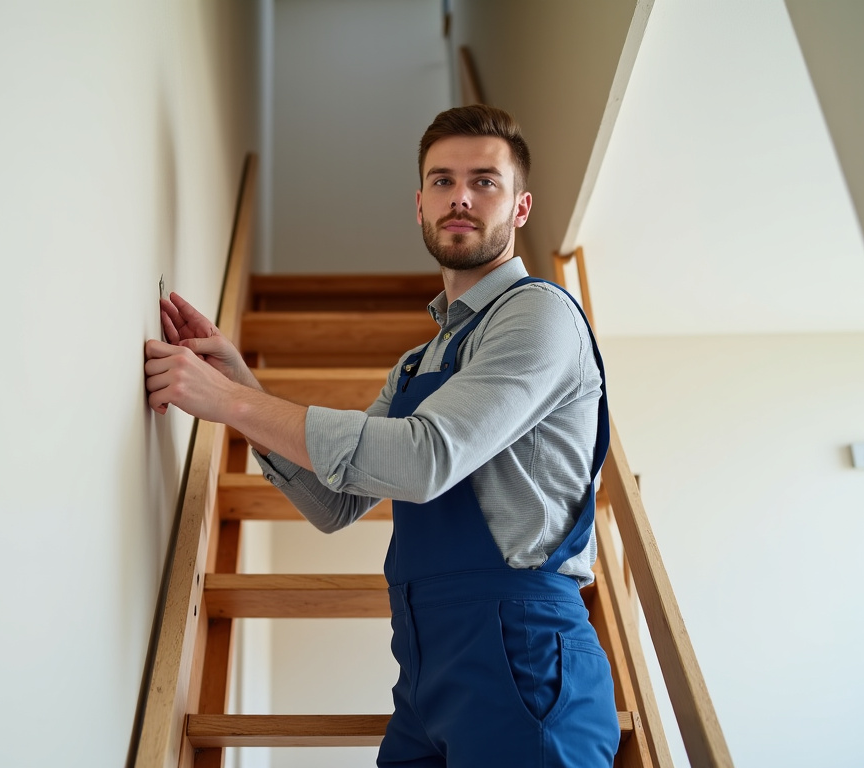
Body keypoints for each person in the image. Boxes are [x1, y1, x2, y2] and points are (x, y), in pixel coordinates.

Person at [144, 104, 619, 767]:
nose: (460, 197)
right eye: (442, 180)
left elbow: (428, 460)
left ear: (520, 208)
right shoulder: (419, 363)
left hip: (522, 653)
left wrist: (226, 401)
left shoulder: (540, 314)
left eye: (485, 181)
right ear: (419, 204)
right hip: (423, 669)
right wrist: (241, 390)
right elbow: (335, 504)